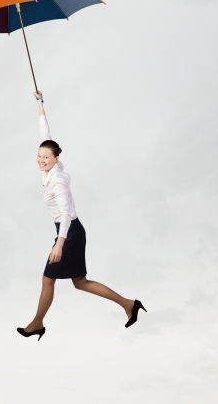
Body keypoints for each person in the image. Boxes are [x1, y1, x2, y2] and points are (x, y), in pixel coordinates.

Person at [16, 91, 145, 340]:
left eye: (46, 157)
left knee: (48, 279)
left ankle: (37, 324)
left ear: (56, 159)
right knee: (80, 282)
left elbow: (65, 215)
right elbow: (46, 136)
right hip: (71, 232)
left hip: (69, 233)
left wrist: (59, 244)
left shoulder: (58, 182)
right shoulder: (54, 165)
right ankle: (129, 304)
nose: (41, 160)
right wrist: (40, 105)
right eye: (39, 156)